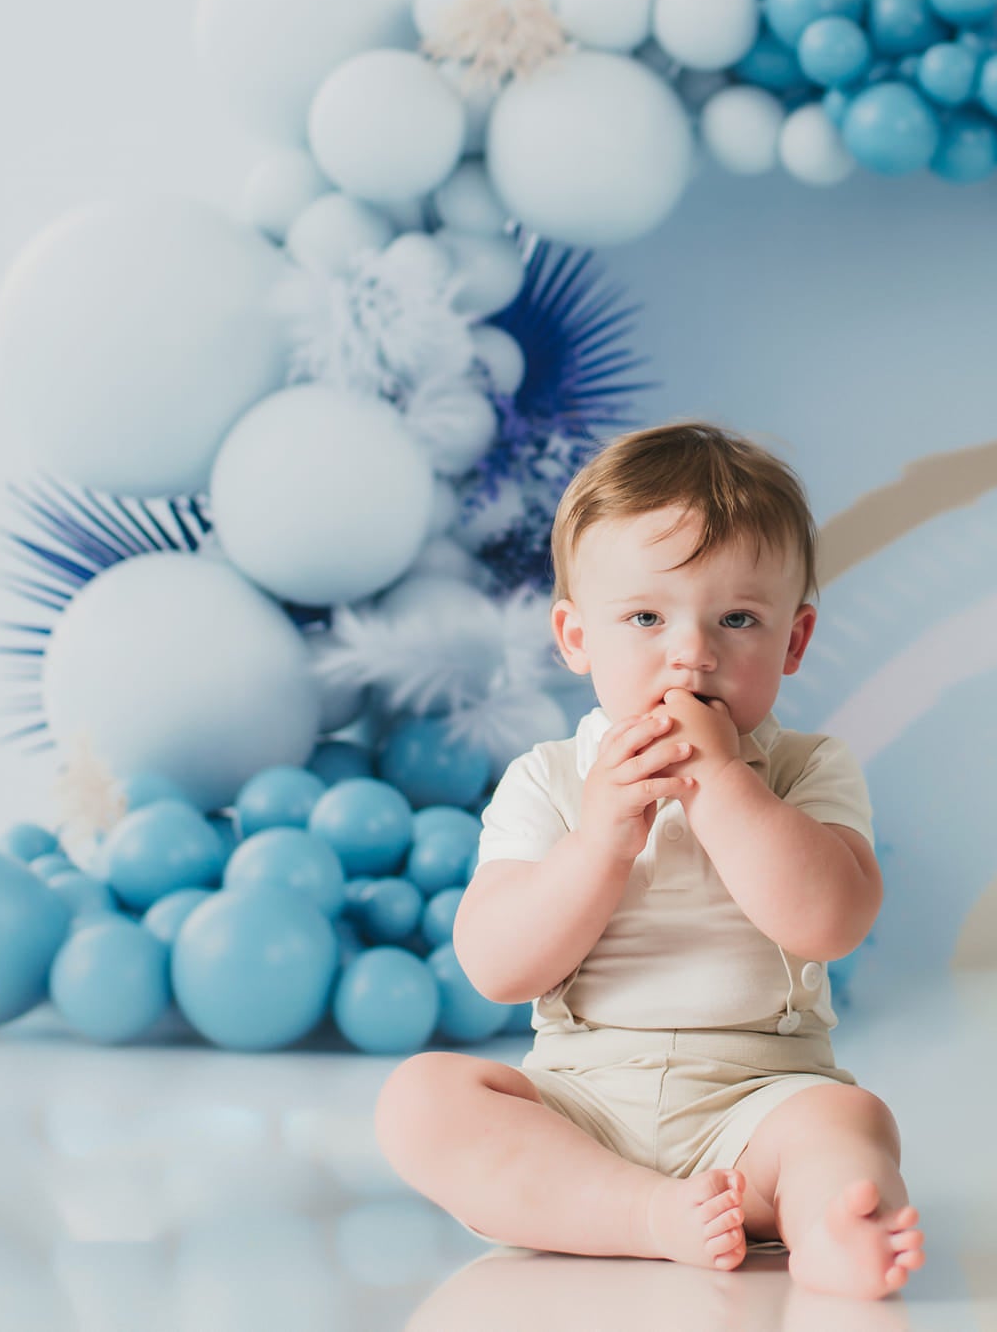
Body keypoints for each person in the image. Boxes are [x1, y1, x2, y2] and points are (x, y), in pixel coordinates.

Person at [375, 419, 926, 1299]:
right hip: (582, 1109)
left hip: (758, 1103)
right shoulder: (549, 779)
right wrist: (600, 840)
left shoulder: (806, 770)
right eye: (645, 617)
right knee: (421, 1101)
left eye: (737, 618)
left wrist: (725, 785)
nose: (693, 653)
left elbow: (831, 920)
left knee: (848, 1121)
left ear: (793, 641)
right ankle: (640, 1212)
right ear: (576, 637)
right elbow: (496, 967)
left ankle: (833, 1224)